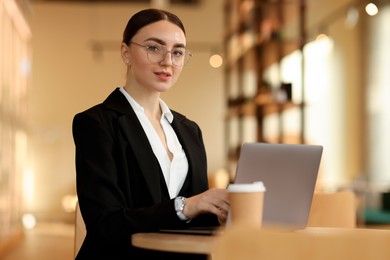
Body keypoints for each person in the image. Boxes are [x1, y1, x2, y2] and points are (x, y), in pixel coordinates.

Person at [72, 8, 230, 260]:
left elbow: (198, 223)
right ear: (126, 53)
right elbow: (105, 224)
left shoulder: (190, 131)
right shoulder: (96, 123)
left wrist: (230, 210)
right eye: (154, 48)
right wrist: (184, 206)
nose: (168, 61)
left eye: (177, 52)